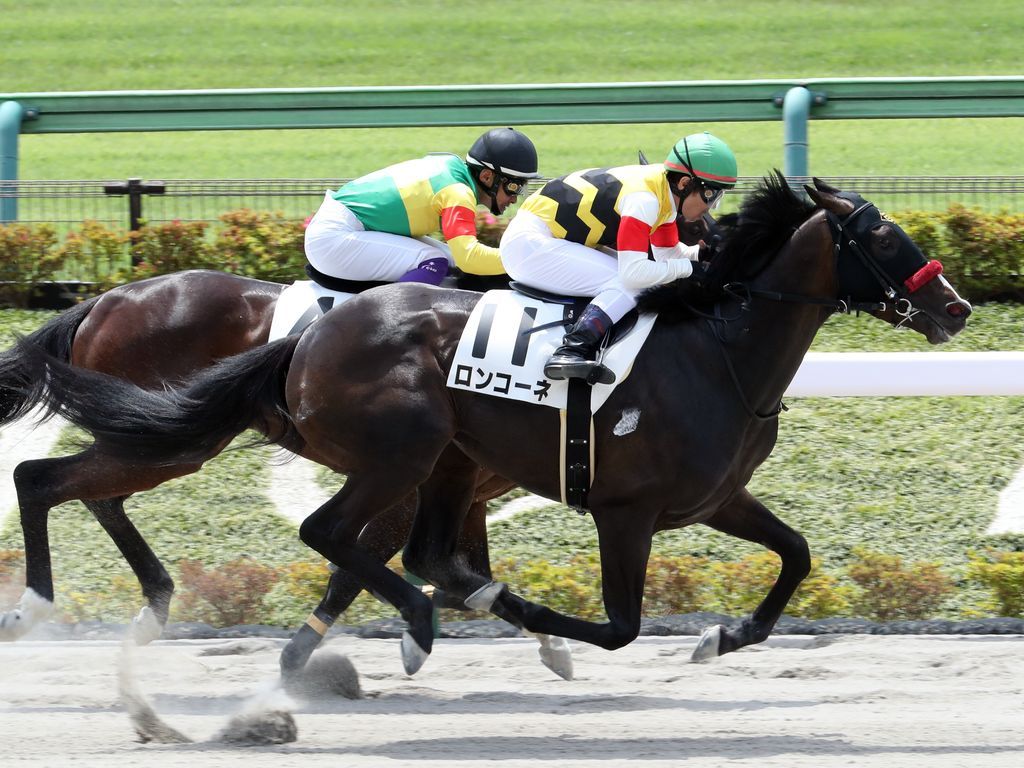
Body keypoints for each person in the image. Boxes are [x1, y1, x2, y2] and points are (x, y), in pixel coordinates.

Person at [500, 130, 737, 384]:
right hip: (530, 244)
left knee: (644, 277)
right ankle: (570, 351)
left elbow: (668, 256)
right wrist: (688, 269)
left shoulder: (663, 195)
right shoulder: (645, 200)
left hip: (546, 238)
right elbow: (633, 274)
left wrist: (701, 254)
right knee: (631, 284)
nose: (712, 207)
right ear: (684, 183)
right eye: (712, 195)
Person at [304, 128, 540, 286]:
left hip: (343, 227)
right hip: (336, 237)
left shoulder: (452, 167)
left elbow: (462, 258)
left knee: (449, 259)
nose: (514, 198)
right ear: (487, 177)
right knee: (434, 260)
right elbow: (469, 258)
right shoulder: (458, 192)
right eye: (513, 187)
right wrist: (528, 259)